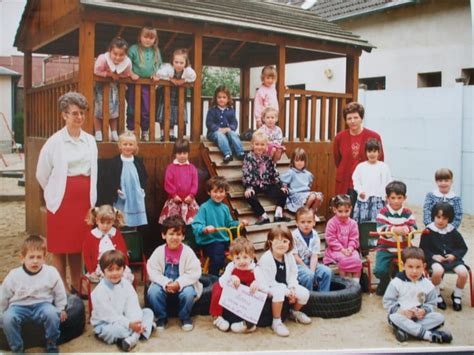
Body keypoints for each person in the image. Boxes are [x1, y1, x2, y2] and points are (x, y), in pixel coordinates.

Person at [36, 92, 98, 295]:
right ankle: (61, 287)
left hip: (83, 202)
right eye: (74, 113)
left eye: (82, 113)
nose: (79, 117)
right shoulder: (55, 142)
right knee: (60, 247)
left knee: (77, 245)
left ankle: (77, 284)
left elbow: (93, 171)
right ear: (64, 115)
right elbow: (42, 173)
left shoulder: (90, 141)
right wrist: (54, 192)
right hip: (61, 202)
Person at [0, 235, 67, 353]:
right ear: (22, 258)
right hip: (18, 306)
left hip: (42, 304)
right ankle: (17, 348)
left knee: (52, 314)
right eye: (31, 257)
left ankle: (51, 343)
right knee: (8, 319)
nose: (35, 261)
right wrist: (2, 313)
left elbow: (59, 291)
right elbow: (4, 295)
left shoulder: (51, 272)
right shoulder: (14, 275)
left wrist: (61, 308)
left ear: (44, 258)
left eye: (39, 257)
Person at [383, 247, 453, 344]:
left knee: (439, 317)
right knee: (394, 317)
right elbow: (388, 303)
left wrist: (424, 311)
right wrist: (402, 312)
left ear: (424, 266)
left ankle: (407, 332)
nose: (414, 271)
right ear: (403, 266)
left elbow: (432, 304)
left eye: (418, 267)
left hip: (420, 318)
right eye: (410, 267)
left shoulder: (428, 284)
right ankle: (429, 336)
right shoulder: (396, 283)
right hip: (402, 316)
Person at [91, 250, 155, 352]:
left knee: (148, 312)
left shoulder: (126, 284)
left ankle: (132, 337)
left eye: (118, 269)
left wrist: (134, 321)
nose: (115, 273)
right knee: (117, 330)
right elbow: (110, 316)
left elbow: (132, 306)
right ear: (103, 271)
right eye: (110, 270)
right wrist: (130, 324)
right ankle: (141, 331)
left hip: (126, 318)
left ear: (124, 269)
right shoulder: (99, 291)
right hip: (107, 323)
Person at [147, 216, 202, 331]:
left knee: (188, 293)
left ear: (183, 236)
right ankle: (161, 318)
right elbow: (153, 271)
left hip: (182, 283)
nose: (174, 238)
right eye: (171, 234)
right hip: (163, 284)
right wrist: (166, 283)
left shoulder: (188, 252)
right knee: (153, 292)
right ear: (164, 235)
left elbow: (195, 272)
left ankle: (185, 317)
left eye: (178, 235)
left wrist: (179, 283)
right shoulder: (158, 252)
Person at [257, 225, 312, 337]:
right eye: (277, 241)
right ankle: (276, 321)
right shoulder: (266, 258)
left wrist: (292, 288)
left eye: (284, 241)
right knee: (278, 293)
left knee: (304, 293)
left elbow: (293, 274)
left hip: (286, 286)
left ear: (289, 244)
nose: (281, 244)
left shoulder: (289, 256)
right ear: (270, 243)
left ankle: (294, 312)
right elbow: (269, 282)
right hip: (270, 288)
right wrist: (287, 292)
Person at [192, 176, 247, 276]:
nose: (218, 195)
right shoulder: (204, 207)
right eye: (215, 192)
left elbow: (229, 224)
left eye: (221, 192)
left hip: (224, 240)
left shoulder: (225, 208)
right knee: (218, 255)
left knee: (241, 248)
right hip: (209, 241)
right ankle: (213, 277)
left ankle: (240, 274)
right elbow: (196, 225)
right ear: (209, 192)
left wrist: (239, 223)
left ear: (225, 193)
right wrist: (205, 229)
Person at [420, 202, 468, 311]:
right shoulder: (428, 231)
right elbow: (423, 249)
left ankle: (457, 295)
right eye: (438, 217)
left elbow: (463, 248)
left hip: (452, 260)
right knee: (437, 271)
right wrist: (433, 256)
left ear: (449, 219)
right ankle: (436, 293)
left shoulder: (453, 231)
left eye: (445, 218)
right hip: (435, 260)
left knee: (463, 273)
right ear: (434, 216)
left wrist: (454, 255)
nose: (441, 221)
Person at [210, 238, 262, 333]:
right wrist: (232, 277)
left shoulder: (255, 269)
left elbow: (265, 286)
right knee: (217, 287)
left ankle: (247, 323)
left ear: (252, 256)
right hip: (232, 299)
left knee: (260, 295)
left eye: (245, 257)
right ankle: (218, 317)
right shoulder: (231, 266)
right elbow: (222, 282)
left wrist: (257, 283)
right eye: (237, 258)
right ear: (232, 258)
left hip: (246, 302)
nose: (241, 261)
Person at [374, 181, 417, 296]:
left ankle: (406, 288)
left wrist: (407, 230)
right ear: (387, 198)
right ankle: (384, 283)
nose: (396, 201)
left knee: (413, 264)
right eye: (393, 198)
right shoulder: (383, 212)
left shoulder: (407, 213)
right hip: (386, 247)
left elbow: (414, 228)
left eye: (399, 197)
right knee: (380, 270)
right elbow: (381, 229)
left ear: (404, 198)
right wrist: (393, 230)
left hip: (404, 248)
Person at [97, 131, 148, 227]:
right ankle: (122, 229)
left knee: (134, 211)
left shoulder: (138, 161)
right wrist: (116, 189)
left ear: (135, 146)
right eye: (125, 144)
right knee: (121, 214)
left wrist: (142, 188)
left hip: (135, 194)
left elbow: (144, 176)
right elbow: (110, 178)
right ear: (120, 146)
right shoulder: (115, 162)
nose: (128, 147)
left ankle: (133, 229)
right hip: (122, 194)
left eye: (130, 144)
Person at [333, 102, 384, 198]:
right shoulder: (339, 138)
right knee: (344, 211)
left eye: (356, 117)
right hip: (344, 182)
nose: (352, 121)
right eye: (349, 118)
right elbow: (337, 160)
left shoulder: (374, 136)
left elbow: (380, 160)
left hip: (366, 183)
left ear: (361, 118)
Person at [242, 131, 290, 225]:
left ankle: (278, 214)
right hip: (254, 184)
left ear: (266, 146)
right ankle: (263, 216)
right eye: (257, 144)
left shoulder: (267, 158)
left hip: (266, 184)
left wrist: (281, 185)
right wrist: (248, 187)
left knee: (284, 191)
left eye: (262, 145)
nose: (259, 147)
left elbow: (273, 173)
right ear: (252, 145)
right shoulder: (248, 157)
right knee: (249, 196)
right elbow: (246, 173)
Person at [127, 26, 163, 141]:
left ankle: (145, 131)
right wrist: (131, 73)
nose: (148, 40)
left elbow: (159, 66)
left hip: (148, 85)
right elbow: (126, 63)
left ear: (155, 39)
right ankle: (131, 130)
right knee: (132, 107)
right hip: (134, 84)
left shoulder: (156, 51)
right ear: (140, 37)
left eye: (151, 38)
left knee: (147, 109)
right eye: (145, 37)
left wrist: (156, 74)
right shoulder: (133, 49)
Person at [93, 37, 132, 142]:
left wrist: (118, 76)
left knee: (115, 110)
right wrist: (109, 74)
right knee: (98, 109)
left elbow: (126, 74)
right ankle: (98, 132)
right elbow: (96, 71)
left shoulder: (127, 63)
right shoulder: (102, 58)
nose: (118, 57)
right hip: (102, 87)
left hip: (115, 89)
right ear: (110, 51)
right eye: (115, 54)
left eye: (121, 55)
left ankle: (114, 132)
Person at [83, 205, 134, 283]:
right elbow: (86, 255)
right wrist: (91, 271)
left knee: (124, 278)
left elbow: (123, 251)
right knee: (109, 278)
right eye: (102, 222)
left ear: (113, 221)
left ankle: (123, 293)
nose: (105, 226)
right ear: (96, 221)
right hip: (100, 267)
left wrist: (124, 265)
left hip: (117, 264)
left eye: (108, 223)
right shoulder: (92, 235)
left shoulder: (115, 233)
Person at [156, 48, 196, 141]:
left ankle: (171, 133)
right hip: (166, 94)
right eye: (176, 62)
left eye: (181, 63)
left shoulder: (187, 71)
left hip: (178, 96)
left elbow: (193, 77)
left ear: (186, 63)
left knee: (174, 114)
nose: (178, 65)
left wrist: (184, 80)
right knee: (164, 114)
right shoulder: (168, 68)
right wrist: (170, 79)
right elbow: (159, 74)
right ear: (172, 62)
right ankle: (163, 133)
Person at [159, 138, 199, 226]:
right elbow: (168, 183)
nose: (182, 156)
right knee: (173, 224)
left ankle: (187, 238)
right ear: (175, 154)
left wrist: (191, 195)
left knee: (190, 223)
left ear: (188, 153)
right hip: (175, 201)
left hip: (189, 201)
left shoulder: (192, 168)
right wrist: (174, 195)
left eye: (184, 153)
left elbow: (195, 183)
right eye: (179, 153)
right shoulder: (171, 168)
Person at [323, 195, 362, 283]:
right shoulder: (332, 223)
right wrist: (342, 249)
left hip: (350, 249)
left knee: (357, 260)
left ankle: (356, 284)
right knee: (344, 260)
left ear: (351, 209)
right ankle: (344, 283)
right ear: (334, 210)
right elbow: (330, 239)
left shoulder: (353, 223)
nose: (343, 214)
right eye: (340, 211)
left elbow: (354, 238)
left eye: (346, 211)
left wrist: (350, 248)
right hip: (335, 250)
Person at [292, 207, 332, 292]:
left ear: (314, 222)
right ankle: (309, 299)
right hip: (297, 265)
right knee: (308, 275)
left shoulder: (315, 235)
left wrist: (312, 271)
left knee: (327, 272)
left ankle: (323, 298)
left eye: (309, 222)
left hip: (311, 263)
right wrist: (308, 271)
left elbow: (314, 256)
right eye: (302, 222)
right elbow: (295, 256)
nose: (306, 224)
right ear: (297, 223)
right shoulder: (293, 236)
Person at [352, 138, 392, 223]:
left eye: (374, 151)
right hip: (364, 200)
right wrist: (360, 191)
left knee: (378, 223)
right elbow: (356, 180)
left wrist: (386, 194)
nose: (372, 154)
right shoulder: (361, 167)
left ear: (378, 152)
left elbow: (389, 182)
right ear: (366, 152)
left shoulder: (383, 167)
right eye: (369, 151)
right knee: (363, 224)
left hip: (379, 200)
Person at [206, 85, 245, 163]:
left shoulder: (231, 110)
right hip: (214, 133)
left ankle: (240, 153)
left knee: (233, 134)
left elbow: (234, 122)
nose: (221, 99)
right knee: (219, 134)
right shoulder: (212, 110)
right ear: (216, 98)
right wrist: (218, 129)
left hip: (227, 132)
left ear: (228, 99)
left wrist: (230, 128)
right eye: (219, 97)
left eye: (224, 97)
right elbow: (209, 123)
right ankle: (228, 154)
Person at [280, 147, 323, 218]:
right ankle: (303, 213)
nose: (299, 163)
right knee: (312, 197)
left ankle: (312, 213)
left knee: (318, 197)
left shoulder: (308, 174)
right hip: (296, 195)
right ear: (293, 161)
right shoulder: (291, 172)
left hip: (305, 194)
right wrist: (284, 186)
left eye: (302, 160)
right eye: (297, 160)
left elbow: (309, 185)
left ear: (305, 161)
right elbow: (283, 181)